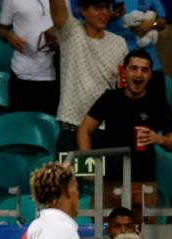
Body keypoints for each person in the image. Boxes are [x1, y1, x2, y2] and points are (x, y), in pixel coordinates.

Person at [78, 49, 172, 220]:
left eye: (144, 70)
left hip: (143, 183)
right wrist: (90, 163)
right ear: (124, 71)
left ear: (150, 75)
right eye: (134, 68)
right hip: (109, 182)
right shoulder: (110, 98)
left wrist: (159, 139)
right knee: (106, 237)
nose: (139, 74)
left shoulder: (158, 102)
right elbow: (84, 130)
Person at [50, 0, 128, 153]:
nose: (104, 12)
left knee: (106, 178)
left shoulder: (119, 43)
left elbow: (122, 88)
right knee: (68, 178)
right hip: (72, 130)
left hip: (106, 131)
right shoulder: (71, 33)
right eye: (98, 7)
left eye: (106, 7)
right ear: (83, 10)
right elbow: (58, 9)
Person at [0, 0, 59, 115]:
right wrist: (8, 35)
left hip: (55, 74)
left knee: (51, 128)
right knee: (20, 126)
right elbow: (2, 30)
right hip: (23, 74)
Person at [107, 0, 171, 103]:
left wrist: (151, 24)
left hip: (152, 65)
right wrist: (110, 16)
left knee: (157, 112)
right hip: (120, 66)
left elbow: (163, 22)